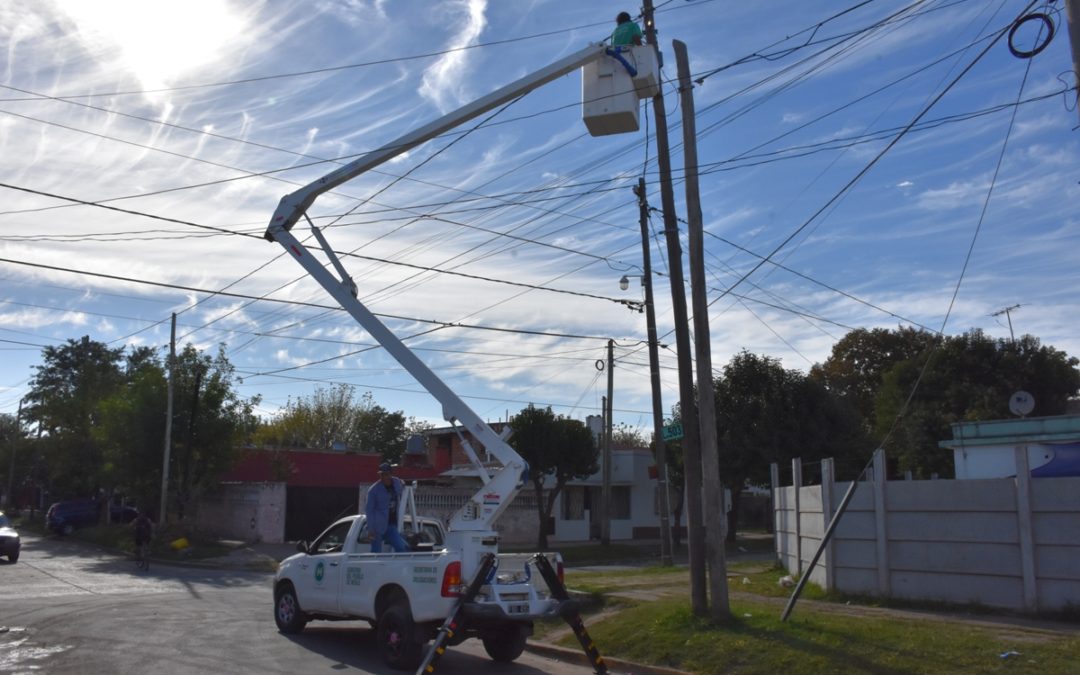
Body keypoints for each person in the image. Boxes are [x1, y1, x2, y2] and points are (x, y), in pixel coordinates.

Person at [365, 462, 409, 553]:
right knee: (376, 552)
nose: (384, 477)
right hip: (377, 527)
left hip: (391, 525)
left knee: (402, 548)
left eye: (386, 474)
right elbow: (369, 510)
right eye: (382, 475)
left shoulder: (396, 482)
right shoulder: (373, 490)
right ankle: (374, 567)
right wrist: (371, 529)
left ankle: (399, 567)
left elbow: (401, 485)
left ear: (391, 474)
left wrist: (403, 483)